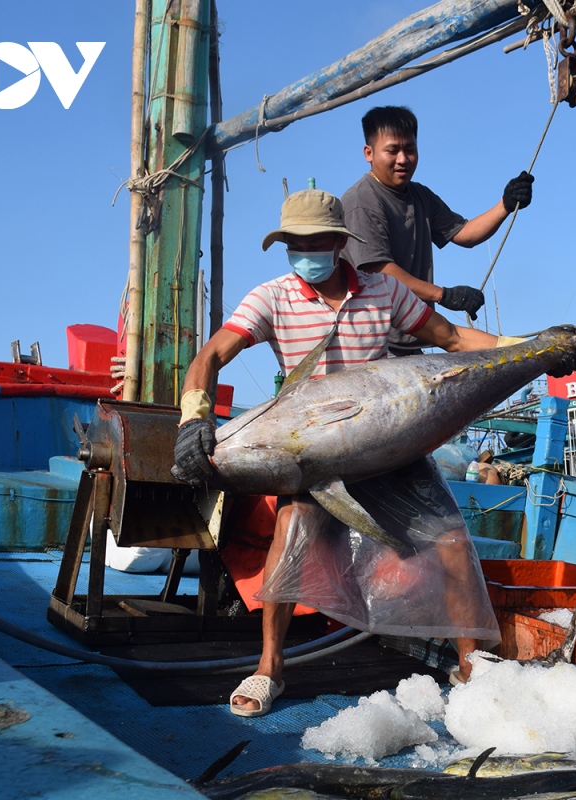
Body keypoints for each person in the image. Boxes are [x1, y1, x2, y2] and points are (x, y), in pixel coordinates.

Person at [172, 189, 517, 716]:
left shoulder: (384, 291)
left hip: (384, 448)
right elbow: (213, 353)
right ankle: (270, 667)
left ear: (338, 243)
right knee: (291, 535)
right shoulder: (273, 297)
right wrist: (194, 416)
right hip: (314, 455)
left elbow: (450, 338)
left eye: (312, 242)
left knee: (450, 539)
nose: (301, 252)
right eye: (292, 243)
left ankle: (470, 662)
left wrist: (534, 349)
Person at [341, 105, 535, 355]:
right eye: (392, 151)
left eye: (409, 150)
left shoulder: (420, 195)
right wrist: (444, 295)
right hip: (373, 345)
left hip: (413, 338)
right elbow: (380, 271)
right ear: (369, 153)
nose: (402, 159)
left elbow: (464, 234)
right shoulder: (361, 200)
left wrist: (505, 204)